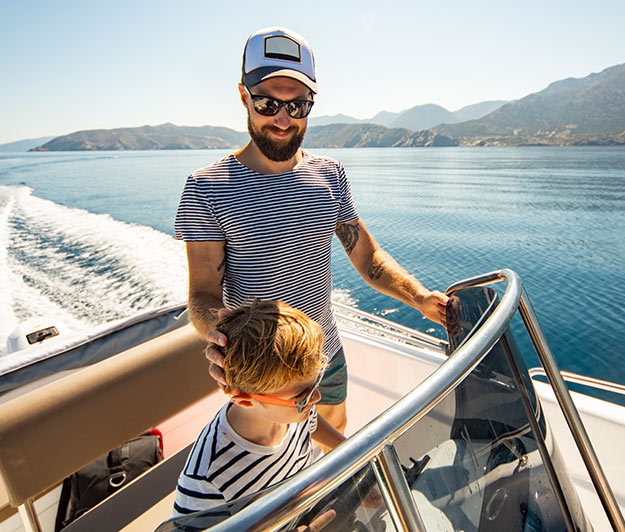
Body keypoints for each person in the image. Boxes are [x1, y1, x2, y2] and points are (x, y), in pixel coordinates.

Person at [174, 26, 448, 436]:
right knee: (271, 457)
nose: (283, 119)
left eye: (298, 105)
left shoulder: (330, 175)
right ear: (243, 97)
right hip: (262, 371)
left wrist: (422, 298)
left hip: (326, 351)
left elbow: (367, 258)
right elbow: (202, 294)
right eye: (268, 103)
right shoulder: (207, 187)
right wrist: (221, 336)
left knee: (334, 432)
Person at [172, 299, 345, 517]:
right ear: (244, 399)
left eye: (316, 381)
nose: (317, 397)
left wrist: (350, 449)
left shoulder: (295, 413)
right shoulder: (209, 479)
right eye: (302, 396)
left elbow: (311, 424)